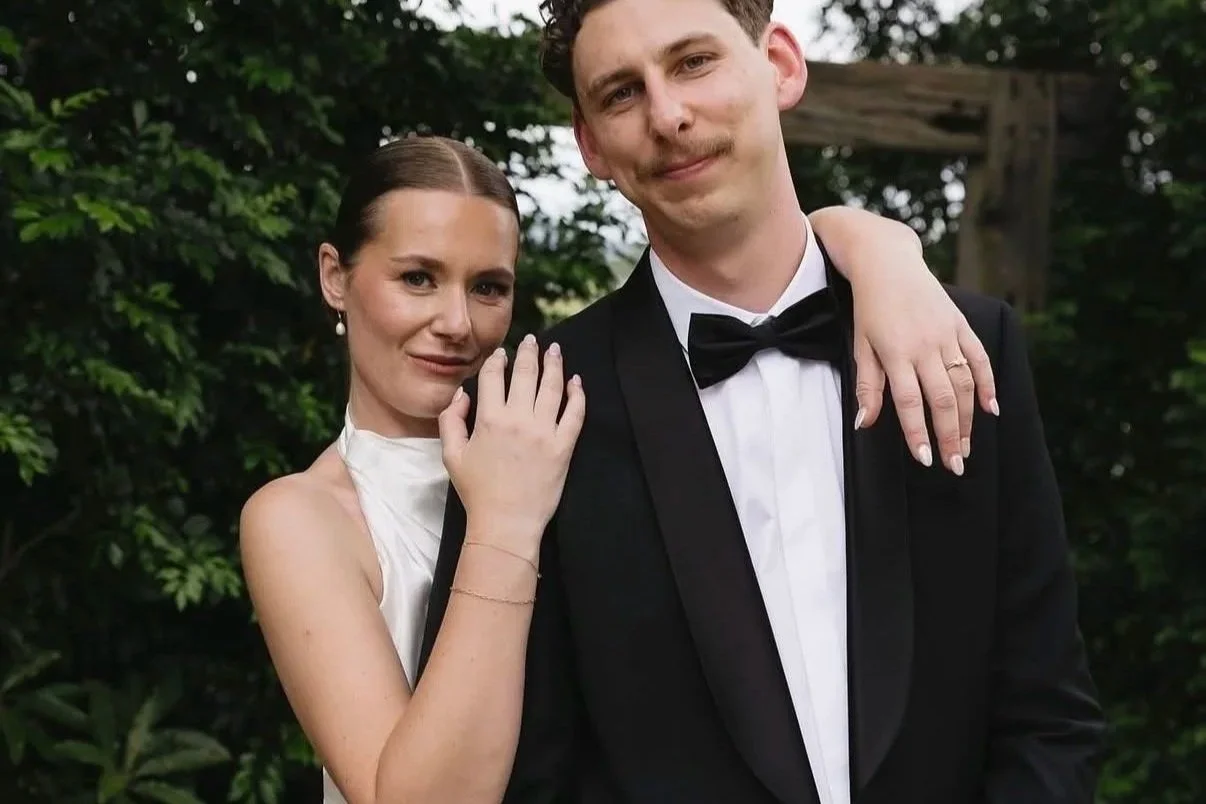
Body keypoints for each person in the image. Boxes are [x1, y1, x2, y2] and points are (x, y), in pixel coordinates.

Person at [418, 2, 1107, 803]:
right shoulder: (528, 408)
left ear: (779, 63)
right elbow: (531, 774)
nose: (668, 116)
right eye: (620, 94)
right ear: (590, 145)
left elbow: (1047, 718)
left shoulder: (961, 342)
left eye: (693, 63)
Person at [240, 134, 1004, 804]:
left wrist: (879, 251)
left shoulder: (572, 421)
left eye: (488, 287)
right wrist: (504, 525)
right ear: (336, 276)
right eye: (417, 278)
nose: (456, 323)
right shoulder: (300, 518)